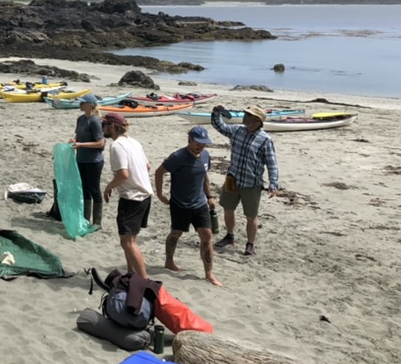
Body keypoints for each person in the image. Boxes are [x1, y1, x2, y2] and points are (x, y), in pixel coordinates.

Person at [155, 126, 222, 286]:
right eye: (198, 142)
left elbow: (204, 176)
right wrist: (160, 194)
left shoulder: (205, 155)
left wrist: (210, 196)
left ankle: (209, 273)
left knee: (206, 235)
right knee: (176, 233)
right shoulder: (178, 157)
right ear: (189, 139)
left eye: (204, 143)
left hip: (199, 203)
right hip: (180, 204)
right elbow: (159, 172)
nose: (201, 146)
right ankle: (169, 261)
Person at [210, 104, 279, 257]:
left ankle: (250, 244)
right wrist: (216, 112)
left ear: (256, 121)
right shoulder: (237, 130)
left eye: (248, 115)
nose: (244, 117)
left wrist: (273, 183)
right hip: (232, 179)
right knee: (228, 209)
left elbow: (271, 163)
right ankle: (229, 236)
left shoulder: (265, 139)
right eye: (245, 114)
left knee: (251, 216)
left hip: (252, 184)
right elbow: (219, 125)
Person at [102, 112, 152, 279]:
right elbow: (148, 166)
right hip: (145, 195)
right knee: (131, 241)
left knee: (127, 243)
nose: (102, 128)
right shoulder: (134, 142)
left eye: (104, 125)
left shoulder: (116, 146)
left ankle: (144, 281)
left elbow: (123, 174)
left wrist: (108, 187)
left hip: (132, 198)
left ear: (112, 127)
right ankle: (132, 274)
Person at [70, 93, 106, 227]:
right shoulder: (80, 119)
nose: (80, 104)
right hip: (81, 159)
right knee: (84, 188)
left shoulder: (96, 121)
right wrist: (74, 140)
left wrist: (81, 145)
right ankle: (85, 218)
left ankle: (97, 222)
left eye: (82, 103)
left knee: (94, 189)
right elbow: (78, 136)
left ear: (90, 105)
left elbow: (100, 143)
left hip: (94, 161)